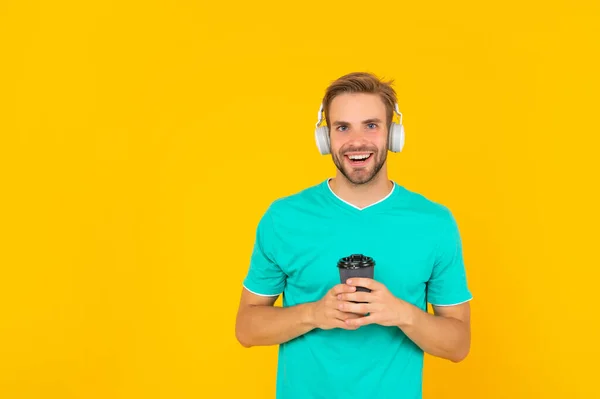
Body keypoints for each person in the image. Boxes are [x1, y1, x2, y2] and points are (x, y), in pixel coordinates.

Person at [235, 72, 472, 398]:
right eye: (343, 127)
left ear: (392, 134)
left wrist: (402, 313)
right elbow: (246, 328)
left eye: (371, 125)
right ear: (326, 137)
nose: (356, 141)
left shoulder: (434, 223)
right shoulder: (284, 218)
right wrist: (313, 314)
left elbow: (458, 345)